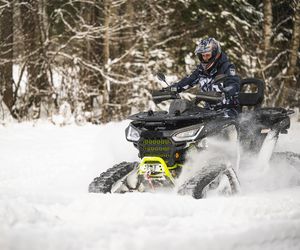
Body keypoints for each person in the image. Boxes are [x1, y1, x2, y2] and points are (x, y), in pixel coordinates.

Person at [167, 37, 240, 116]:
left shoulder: (227, 67)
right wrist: (172, 88)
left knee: (214, 123)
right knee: (186, 117)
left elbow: (234, 82)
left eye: (208, 55)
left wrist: (228, 90)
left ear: (216, 54)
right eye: (203, 56)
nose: (205, 58)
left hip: (227, 110)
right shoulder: (201, 70)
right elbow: (187, 81)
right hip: (208, 112)